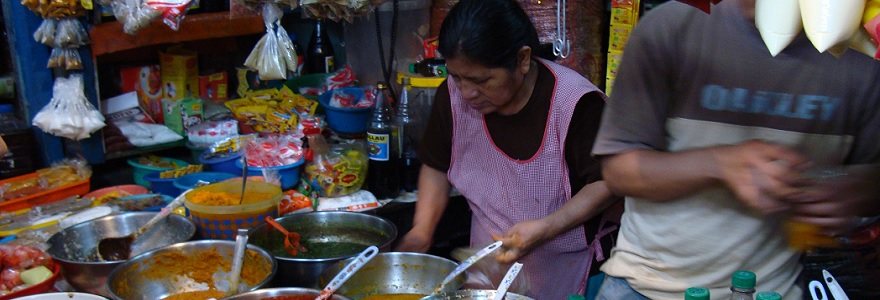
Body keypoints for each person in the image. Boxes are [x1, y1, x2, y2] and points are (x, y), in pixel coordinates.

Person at [591, 0, 880, 299]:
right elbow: (618, 170)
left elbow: (871, 178)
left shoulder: (863, 57)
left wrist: (849, 191)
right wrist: (719, 164)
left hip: (770, 289)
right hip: (648, 284)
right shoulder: (672, 27)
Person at [394, 0, 622, 298]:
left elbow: (608, 182)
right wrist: (422, 231)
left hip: (568, 269)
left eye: (481, 80)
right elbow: (437, 165)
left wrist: (548, 227)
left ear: (523, 59)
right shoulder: (453, 97)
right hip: (486, 271)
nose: (467, 92)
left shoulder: (575, 104)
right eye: (456, 77)